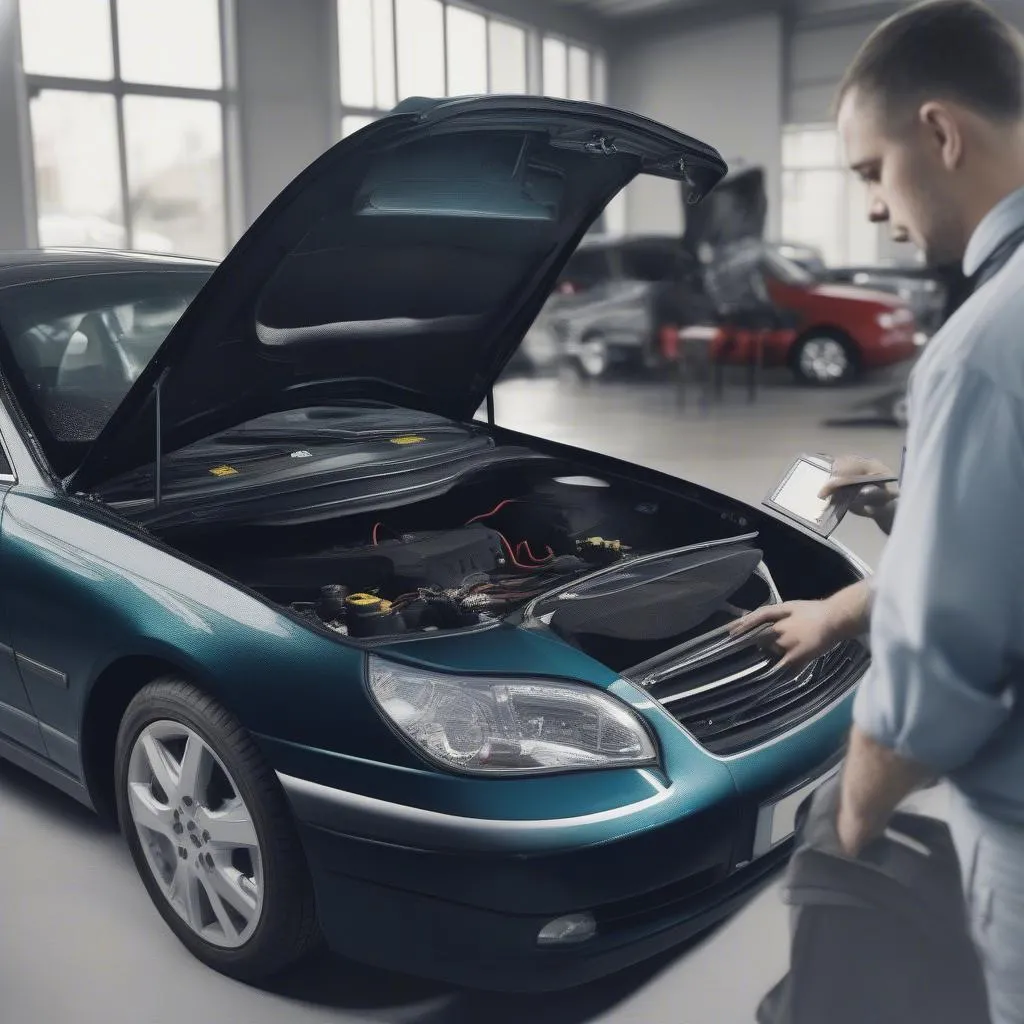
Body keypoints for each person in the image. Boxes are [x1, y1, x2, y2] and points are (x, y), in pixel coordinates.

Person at [734, 3, 1024, 1021]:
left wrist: (847, 820)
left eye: (868, 171)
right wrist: (907, 517)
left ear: (939, 133)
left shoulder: (985, 343)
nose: (870, 208)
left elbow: (939, 668)